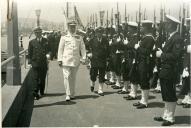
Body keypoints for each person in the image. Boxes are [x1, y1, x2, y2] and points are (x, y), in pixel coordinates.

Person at [154, 15, 184, 126]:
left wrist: (162, 55)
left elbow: (176, 56)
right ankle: (166, 114)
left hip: (171, 70)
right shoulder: (170, 37)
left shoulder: (177, 38)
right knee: (165, 93)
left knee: (170, 94)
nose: (165, 25)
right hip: (165, 69)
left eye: (167, 23)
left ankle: (171, 118)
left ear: (173, 25)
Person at [57, 18, 86, 101]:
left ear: (75, 27)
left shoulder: (79, 37)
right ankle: (68, 94)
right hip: (66, 60)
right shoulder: (64, 37)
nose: (72, 28)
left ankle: (72, 94)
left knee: (73, 77)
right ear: (68, 27)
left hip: (75, 61)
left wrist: (83, 58)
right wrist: (59, 59)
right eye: (71, 27)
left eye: (74, 27)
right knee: (66, 77)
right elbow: (60, 49)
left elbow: (83, 48)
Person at [133, 20, 155, 109]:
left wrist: (138, 48)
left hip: (146, 62)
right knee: (142, 80)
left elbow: (147, 52)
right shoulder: (145, 37)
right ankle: (142, 100)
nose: (141, 28)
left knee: (144, 81)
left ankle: (145, 101)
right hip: (142, 62)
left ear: (146, 28)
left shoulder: (149, 38)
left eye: (142, 27)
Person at [28, 27, 51, 100]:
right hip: (35, 63)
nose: (38, 34)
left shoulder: (46, 41)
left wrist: (49, 55)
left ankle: (42, 91)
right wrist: (29, 62)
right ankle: (35, 93)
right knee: (36, 78)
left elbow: (50, 50)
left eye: (39, 32)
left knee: (42, 78)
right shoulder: (31, 42)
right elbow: (29, 53)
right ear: (35, 34)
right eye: (36, 33)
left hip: (44, 62)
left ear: (41, 33)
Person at [87, 27, 109, 96]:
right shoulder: (92, 40)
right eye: (98, 32)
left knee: (102, 75)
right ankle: (92, 84)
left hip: (102, 60)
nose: (99, 34)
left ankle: (100, 89)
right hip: (94, 59)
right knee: (93, 74)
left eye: (101, 32)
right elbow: (87, 47)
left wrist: (108, 59)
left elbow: (108, 50)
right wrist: (89, 53)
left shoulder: (105, 40)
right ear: (96, 33)